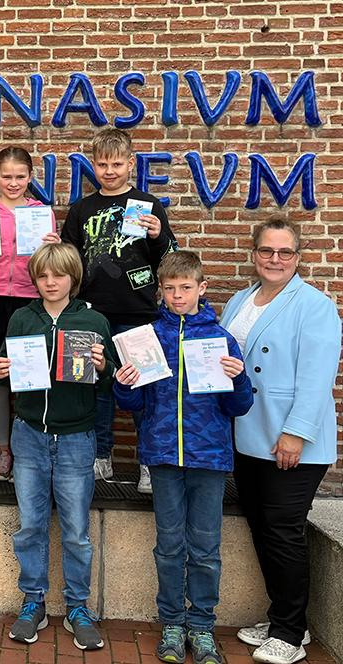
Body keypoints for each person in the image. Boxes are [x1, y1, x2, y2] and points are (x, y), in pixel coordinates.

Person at [114, 250, 253, 664]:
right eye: (170, 288)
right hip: (162, 457)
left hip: (209, 458)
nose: (177, 295)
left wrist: (238, 379)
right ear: (160, 290)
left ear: (201, 288)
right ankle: (173, 622)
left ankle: (203, 626)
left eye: (186, 288)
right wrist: (124, 384)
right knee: (169, 546)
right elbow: (133, 404)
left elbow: (239, 406)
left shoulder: (221, 339)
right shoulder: (147, 338)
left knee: (206, 547)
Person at [221, 219, 341, 664]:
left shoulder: (315, 306)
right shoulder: (240, 300)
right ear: (253, 253)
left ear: (298, 257)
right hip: (248, 433)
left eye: (284, 252)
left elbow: (317, 377)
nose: (275, 259)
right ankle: (284, 620)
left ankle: (290, 634)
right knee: (263, 528)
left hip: (289, 439)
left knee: (283, 531)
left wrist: (295, 433)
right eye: (267, 251)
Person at [0, 243, 116, 651]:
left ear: (72, 278)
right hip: (29, 434)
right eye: (43, 276)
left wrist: (103, 367)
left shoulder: (93, 320)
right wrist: (1, 368)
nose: (50, 282)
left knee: (76, 531)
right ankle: (34, 601)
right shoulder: (21, 318)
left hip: (76, 438)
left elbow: (109, 381)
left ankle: (78, 607)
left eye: (58, 275)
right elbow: (5, 368)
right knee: (31, 525)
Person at [60, 127, 177, 492]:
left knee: (144, 387)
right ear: (92, 166)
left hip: (139, 312)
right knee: (95, 386)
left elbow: (170, 260)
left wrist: (159, 235)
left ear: (131, 163)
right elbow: (69, 262)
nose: (109, 171)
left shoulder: (147, 205)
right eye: (102, 164)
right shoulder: (81, 209)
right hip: (91, 313)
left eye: (116, 164)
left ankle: (148, 463)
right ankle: (101, 457)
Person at [0, 146, 60, 482]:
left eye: (20, 176)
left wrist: (52, 248)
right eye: (7, 176)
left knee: (30, 373)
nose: (14, 182)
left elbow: (50, 268)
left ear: (30, 177)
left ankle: (30, 454)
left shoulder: (42, 213)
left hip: (30, 301)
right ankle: (3, 451)